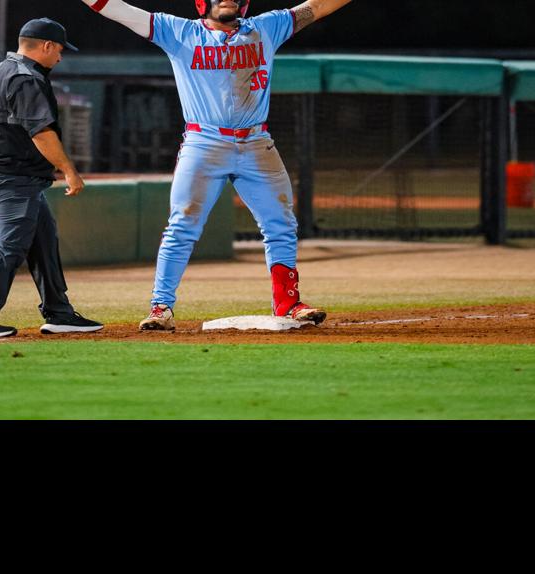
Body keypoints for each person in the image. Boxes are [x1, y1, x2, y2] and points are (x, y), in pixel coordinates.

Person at [78, 0, 352, 331]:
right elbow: (117, 9)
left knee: (281, 224)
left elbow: (317, 6)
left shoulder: (266, 27)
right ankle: (161, 307)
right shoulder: (177, 31)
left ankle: (288, 303)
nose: (228, 1)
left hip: (256, 142)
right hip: (204, 142)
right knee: (182, 226)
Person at [0, 18, 103, 340]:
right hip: (10, 176)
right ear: (46, 46)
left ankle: (60, 313)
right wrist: (69, 171)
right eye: (59, 50)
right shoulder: (26, 78)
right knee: (9, 245)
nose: (60, 57)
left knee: (43, 240)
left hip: (12, 175)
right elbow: (41, 133)